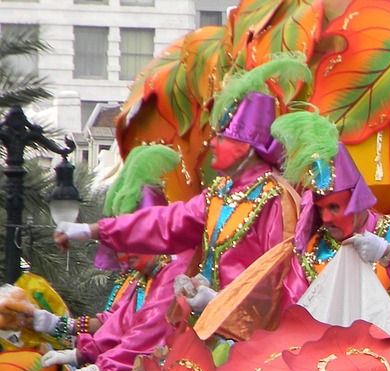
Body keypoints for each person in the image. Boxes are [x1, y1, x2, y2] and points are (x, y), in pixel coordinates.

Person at [54, 57, 310, 312]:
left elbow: (279, 275)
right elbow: (166, 223)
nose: (211, 144)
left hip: (249, 337)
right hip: (210, 328)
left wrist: (222, 304)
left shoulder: (275, 198)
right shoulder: (220, 192)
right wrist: (92, 230)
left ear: (244, 145)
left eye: (220, 137)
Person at [269, 112, 390, 339]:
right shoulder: (312, 253)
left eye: (334, 207)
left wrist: (389, 256)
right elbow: (293, 322)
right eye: (320, 209)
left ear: (357, 202)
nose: (325, 218)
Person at [36, 145, 192, 371]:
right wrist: (79, 353)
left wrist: (102, 366)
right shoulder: (145, 276)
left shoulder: (175, 268)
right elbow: (118, 323)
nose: (120, 256)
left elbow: (150, 326)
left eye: (127, 242)